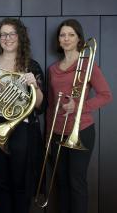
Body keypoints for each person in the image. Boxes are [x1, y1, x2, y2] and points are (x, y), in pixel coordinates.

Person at [0, 18, 46, 213]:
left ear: (20, 37)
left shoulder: (30, 66)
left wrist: (34, 86)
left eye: (12, 34)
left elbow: (41, 106)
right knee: (0, 185)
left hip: (22, 130)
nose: (7, 38)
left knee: (20, 184)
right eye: (3, 35)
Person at [47, 19, 112, 213]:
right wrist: (48, 137)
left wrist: (78, 106)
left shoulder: (88, 64)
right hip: (58, 133)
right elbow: (51, 106)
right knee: (62, 184)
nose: (66, 38)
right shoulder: (52, 69)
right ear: (58, 40)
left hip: (81, 130)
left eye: (71, 35)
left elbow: (106, 96)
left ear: (78, 39)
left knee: (76, 182)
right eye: (62, 35)